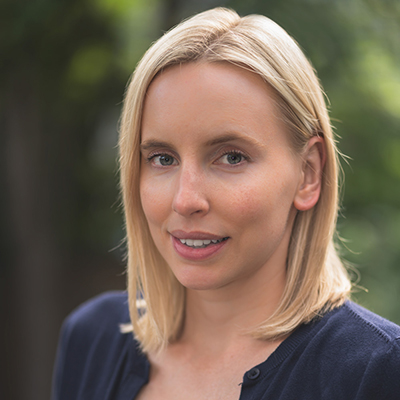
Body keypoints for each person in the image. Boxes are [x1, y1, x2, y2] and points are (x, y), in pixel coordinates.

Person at [52, 7, 400, 400]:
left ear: (308, 173)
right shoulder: (92, 339)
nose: (186, 200)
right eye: (162, 158)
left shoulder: (378, 369)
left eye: (231, 157)